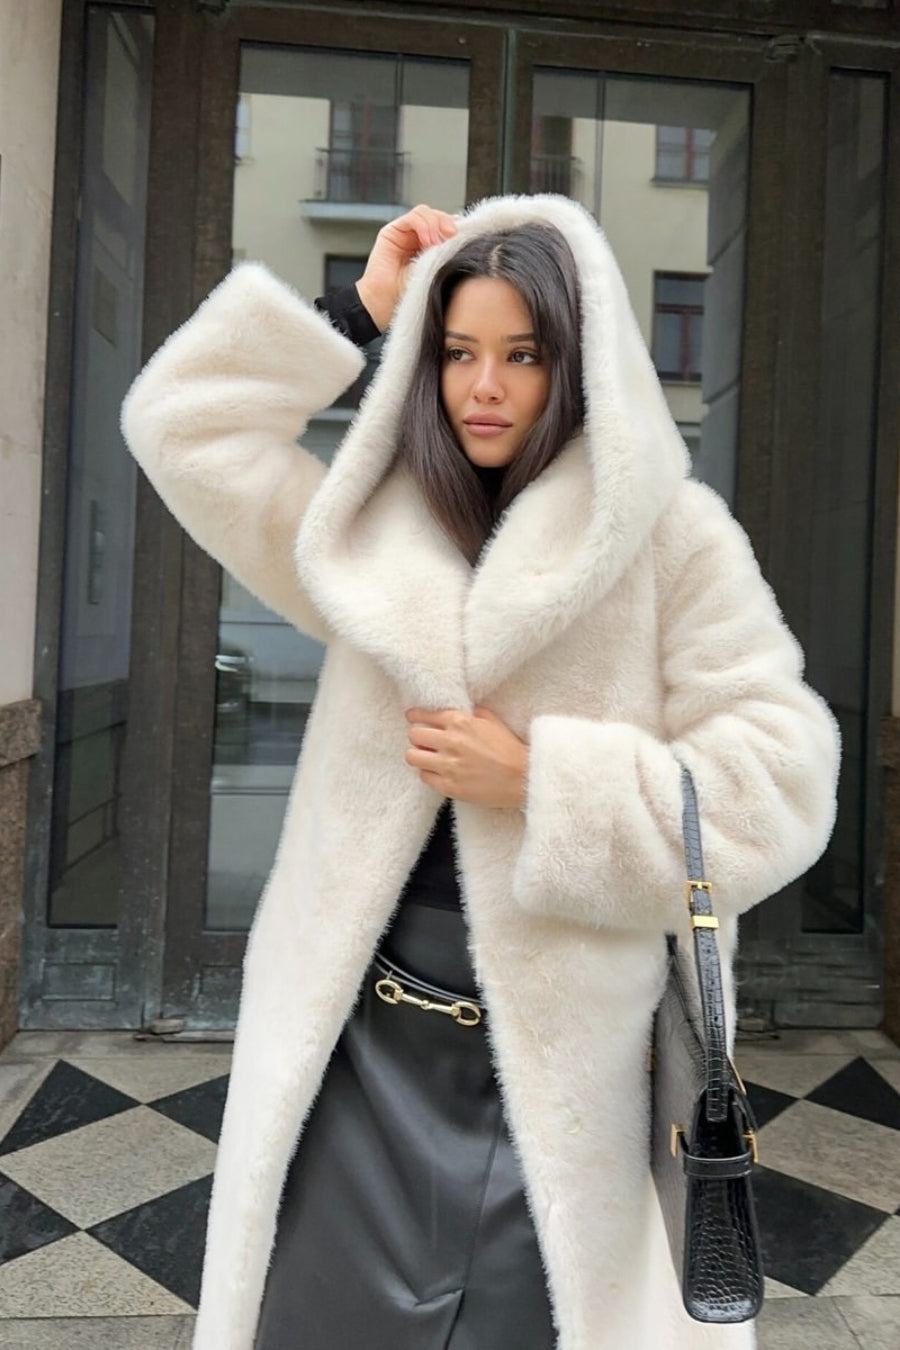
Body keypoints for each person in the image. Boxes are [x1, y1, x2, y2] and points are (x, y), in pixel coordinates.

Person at [121, 194, 840, 1350]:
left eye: (522, 354)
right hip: (359, 1047)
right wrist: (363, 307)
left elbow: (784, 776)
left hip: (568, 1065)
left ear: (579, 361)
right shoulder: (370, 526)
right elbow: (182, 427)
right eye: (458, 352)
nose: (484, 387)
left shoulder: (672, 535)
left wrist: (544, 784)